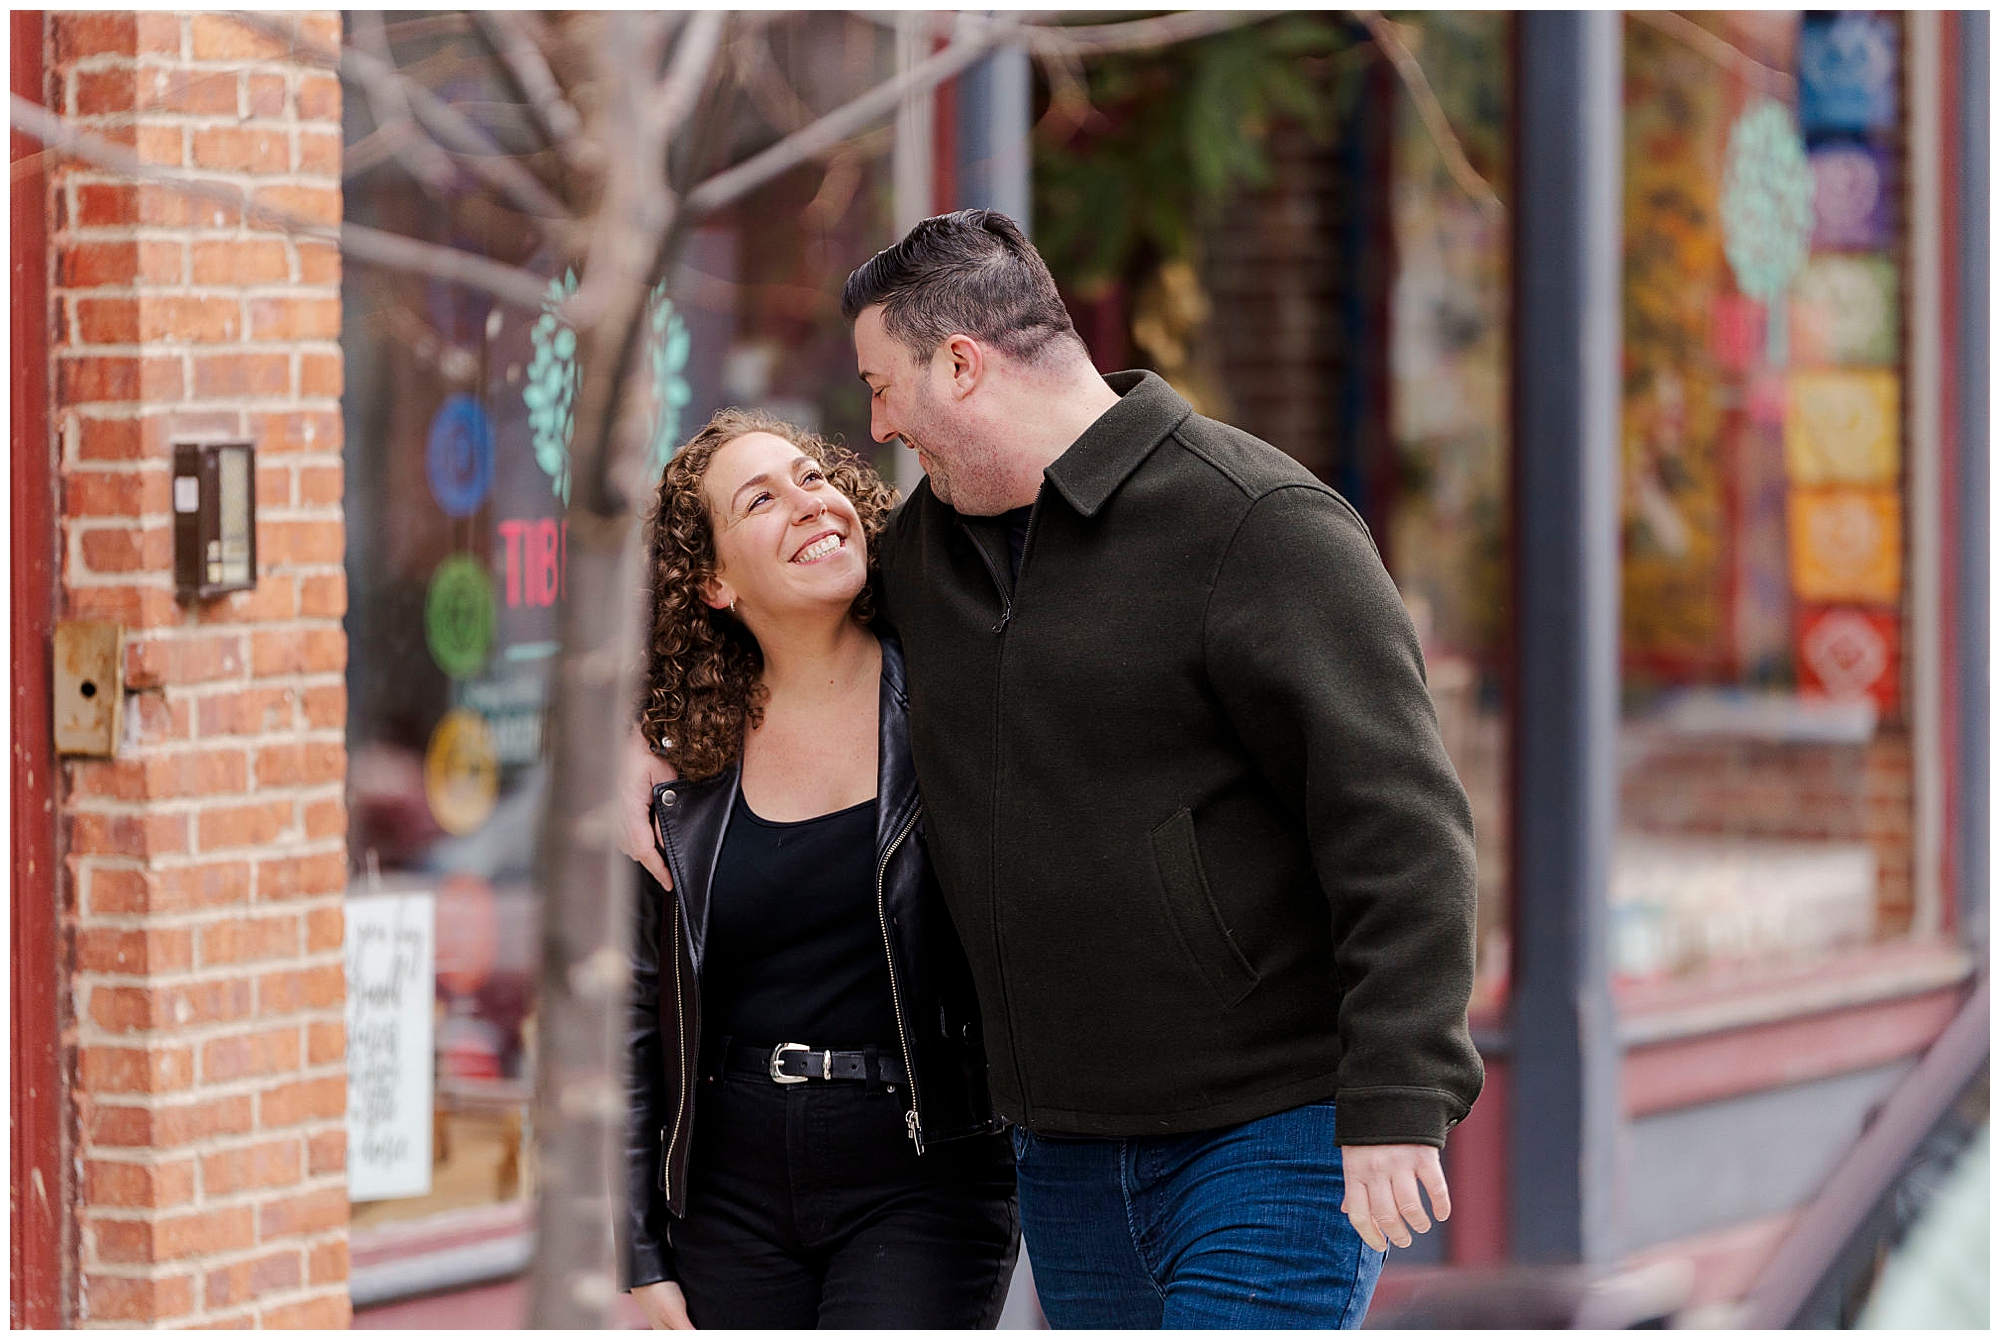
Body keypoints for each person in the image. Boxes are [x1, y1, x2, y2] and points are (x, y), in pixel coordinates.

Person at [624, 210, 1483, 1329]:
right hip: (1065, 1158)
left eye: (883, 387)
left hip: (1269, 1129)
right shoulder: (922, 558)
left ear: (961, 366)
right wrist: (625, 747)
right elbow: (753, 627)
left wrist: (1401, 1093)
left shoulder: (1256, 525)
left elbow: (1402, 829)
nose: (877, 428)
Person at [620, 408, 1018, 1330]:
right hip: (727, 1197)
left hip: (924, 1177)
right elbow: (636, 1014)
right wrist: (638, 1249)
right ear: (713, 583)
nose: (809, 503)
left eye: (812, 477)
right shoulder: (680, 766)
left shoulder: (955, 696)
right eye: (760, 500)